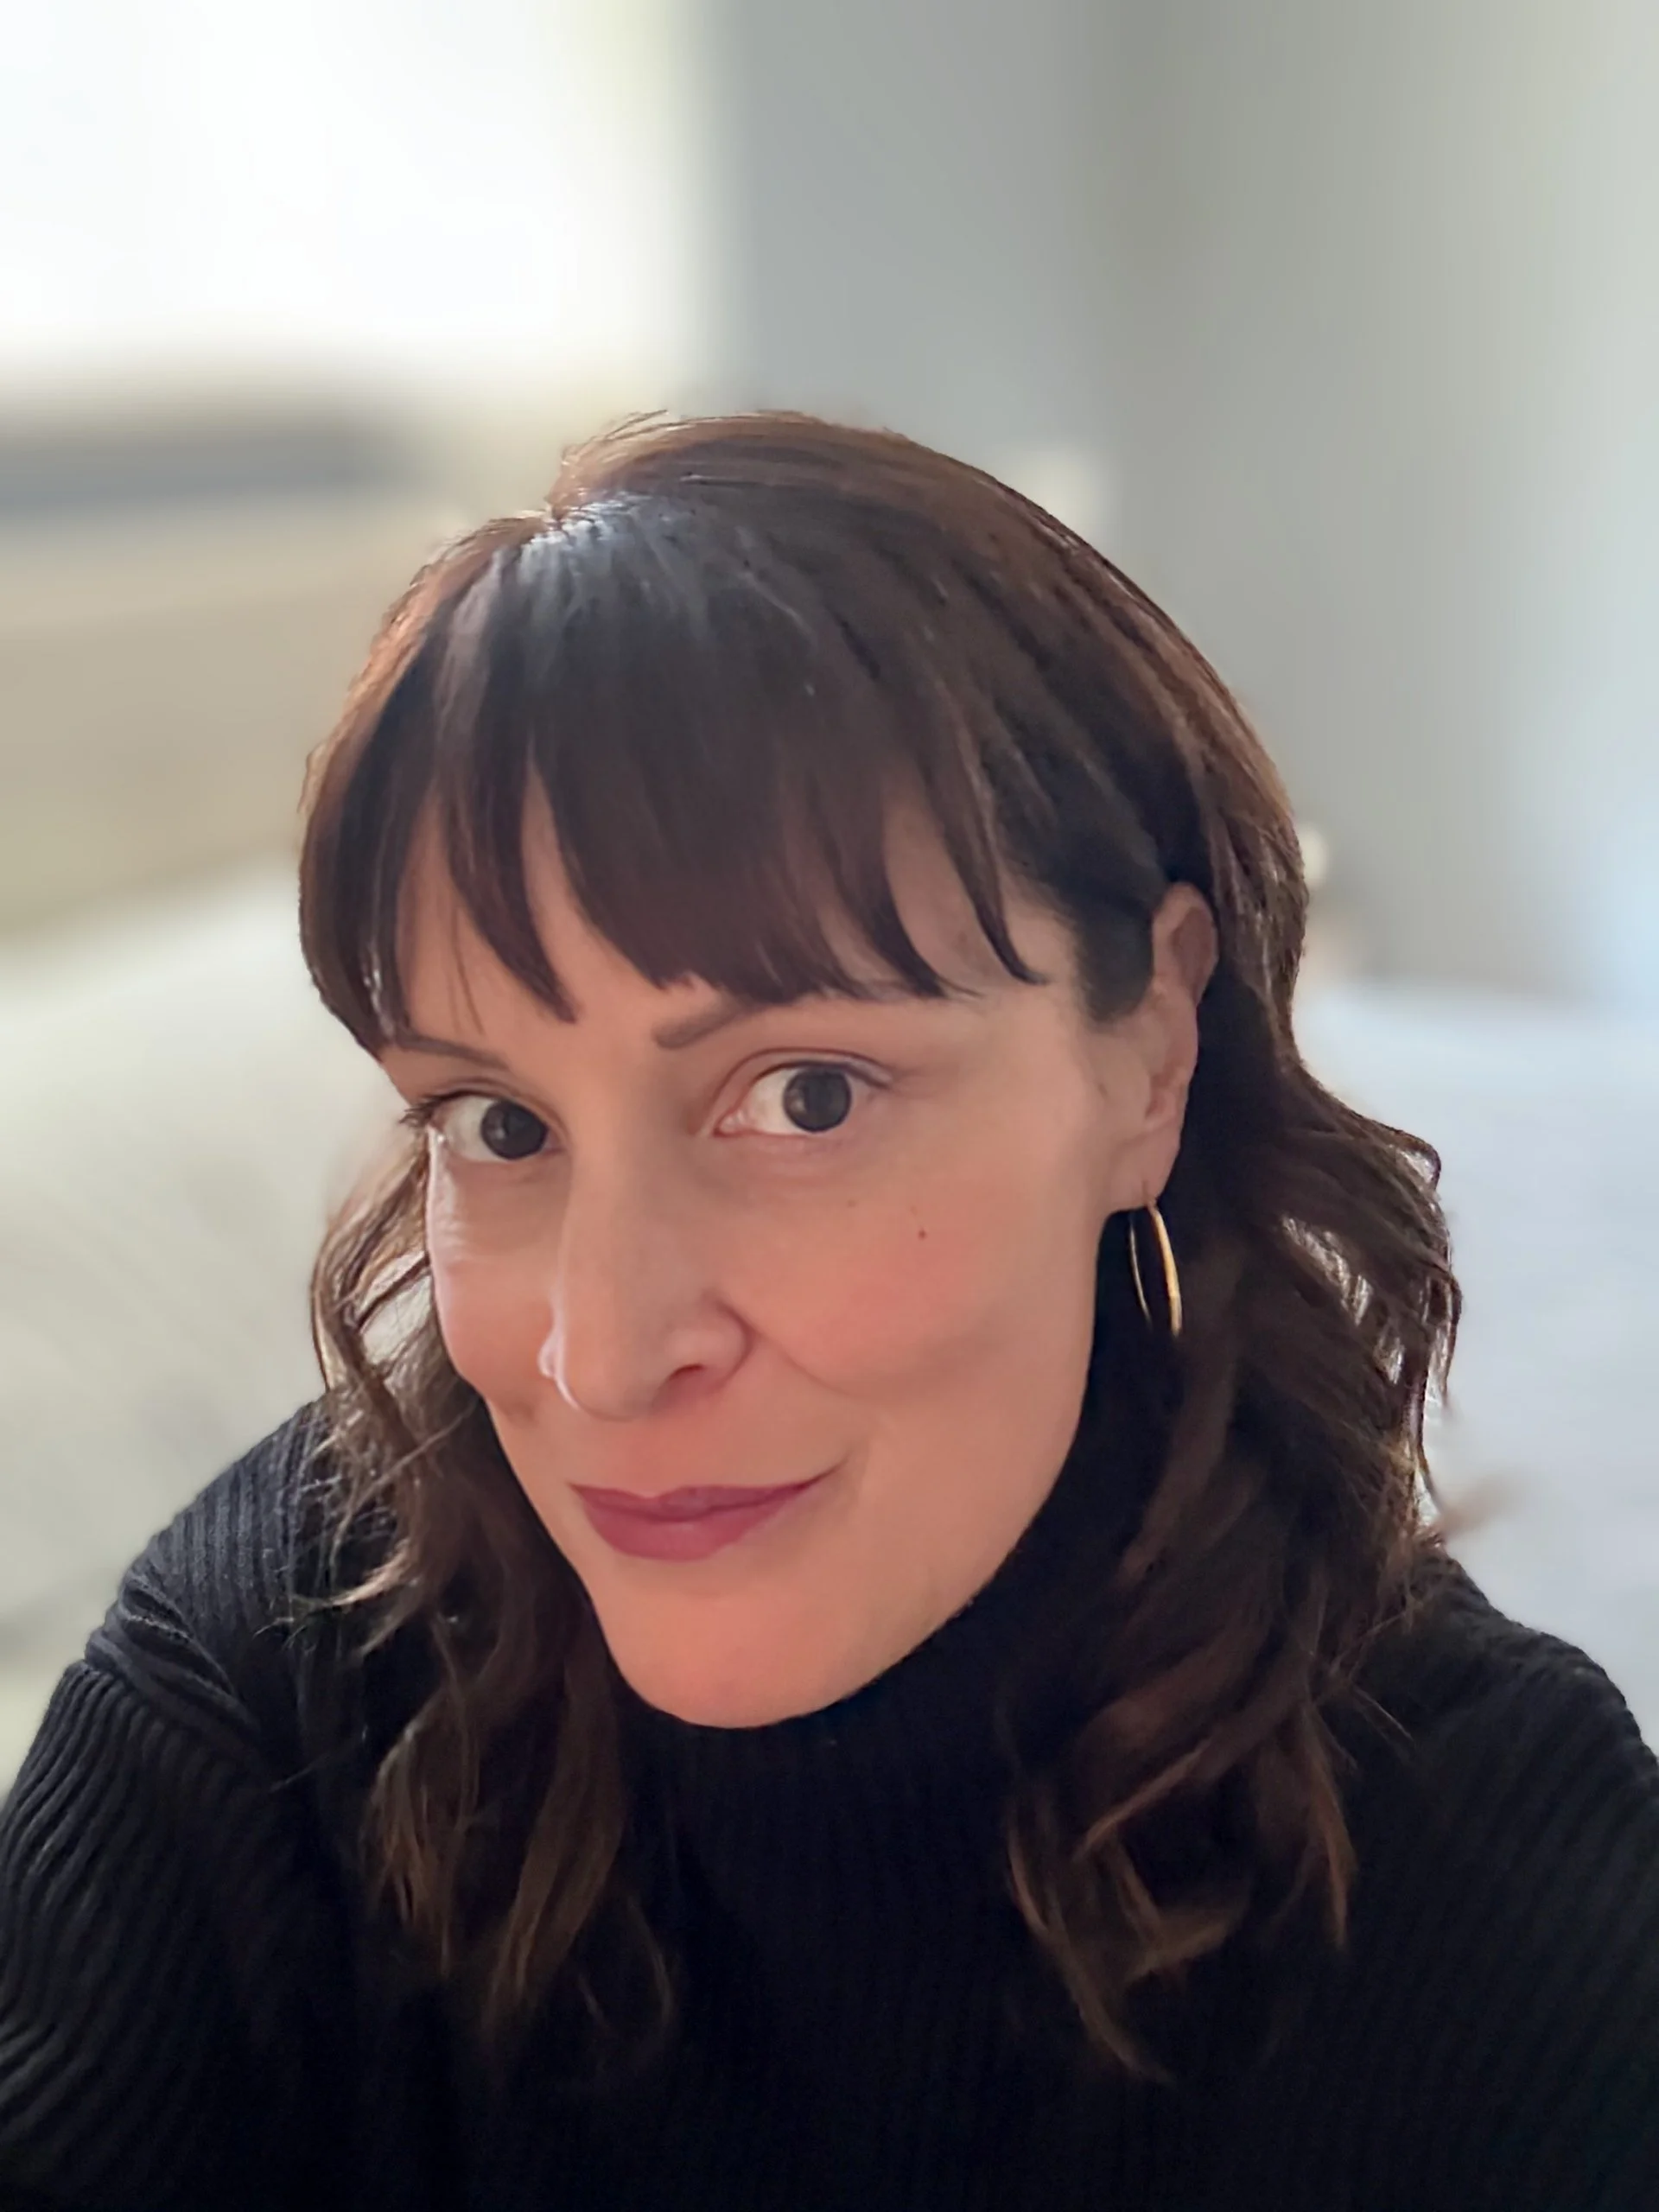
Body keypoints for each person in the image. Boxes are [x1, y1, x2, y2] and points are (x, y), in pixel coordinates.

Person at [1, 412, 1655, 2212]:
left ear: (1152, 1049)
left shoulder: (1489, 1900)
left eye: (806, 1095)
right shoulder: (266, 1697)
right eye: (499, 1122)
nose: (603, 1353)